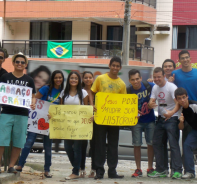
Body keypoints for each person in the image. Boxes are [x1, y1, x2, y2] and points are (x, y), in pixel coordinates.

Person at [15, 70, 64, 178]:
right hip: (36, 120)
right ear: (52, 78)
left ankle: (47, 170)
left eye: (60, 77)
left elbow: (61, 108)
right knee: (29, 143)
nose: (58, 79)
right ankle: (20, 165)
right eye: (56, 77)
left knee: (48, 147)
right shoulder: (46, 88)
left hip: (50, 122)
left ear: (62, 79)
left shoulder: (62, 92)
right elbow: (35, 99)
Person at [0, 52, 36, 173]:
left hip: (22, 114)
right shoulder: (5, 77)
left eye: (22, 62)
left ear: (25, 64)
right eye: (17, 62)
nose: (20, 64)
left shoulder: (29, 80)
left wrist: (33, 103)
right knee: (1, 139)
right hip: (6, 112)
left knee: (18, 141)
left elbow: (33, 96)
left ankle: (11, 166)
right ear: (13, 63)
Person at [91, 56, 126, 179]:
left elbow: (123, 102)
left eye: (117, 66)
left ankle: (112, 171)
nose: (115, 68)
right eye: (113, 65)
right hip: (100, 118)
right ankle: (99, 171)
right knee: (99, 145)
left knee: (113, 145)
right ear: (109, 65)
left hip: (114, 120)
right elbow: (92, 92)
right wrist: (92, 105)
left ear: (120, 68)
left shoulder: (122, 84)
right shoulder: (100, 78)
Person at [147, 67, 182, 179]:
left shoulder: (171, 87)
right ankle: (161, 170)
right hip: (161, 119)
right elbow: (151, 102)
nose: (157, 79)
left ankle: (177, 171)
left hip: (173, 118)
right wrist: (150, 105)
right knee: (157, 143)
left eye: (159, 77)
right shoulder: (155, 88)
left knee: (173, 145)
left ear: (164, 76)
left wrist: (171, 113)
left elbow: (178, 103)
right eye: (155, 77)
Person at [60, 71, 89, 180]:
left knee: (77, 148)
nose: (73, 80)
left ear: (79, 80)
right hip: (67, 125)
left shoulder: (83, 93)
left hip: (79, 125)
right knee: (67, 148)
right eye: (71, 78)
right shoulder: (64, 92)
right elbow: (60, 109)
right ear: (69, 80)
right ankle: (78, 167)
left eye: (76, 78)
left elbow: (86, 109)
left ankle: (75, 171)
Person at [127, 69, 155, 177]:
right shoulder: (128, 90)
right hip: (136, 121)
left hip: (150, 120)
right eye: (133, 79)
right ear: (129, 80)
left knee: (150, 144)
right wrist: (132, 110)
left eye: (137, 79)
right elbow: (124, 106)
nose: (135, 81)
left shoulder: (150, 85)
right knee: (136, 145)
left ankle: (150, 168)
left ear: (141, 78)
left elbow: (160, 90)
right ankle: (138, 169)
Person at [175, 87, 197, 179]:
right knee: (187, 145)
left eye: (184, 97)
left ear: (187, 97)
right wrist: (181, 121)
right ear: (176, 100)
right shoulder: (179, 110)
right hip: (195, 130)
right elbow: (181, 128)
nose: (182, 100)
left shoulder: (194, 105)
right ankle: (190, 172)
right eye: (179, 98)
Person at [80, 71, 96, 178]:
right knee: (82, 146)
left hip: (95, 121)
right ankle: (82, 169)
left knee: (94, 146)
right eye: (86, 77)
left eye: (90, 77)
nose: (88, 79)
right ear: (83, 79)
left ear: (93, 79)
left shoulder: (97, 91)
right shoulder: (79, 91)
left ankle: (93, 169)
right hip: (82, 122)